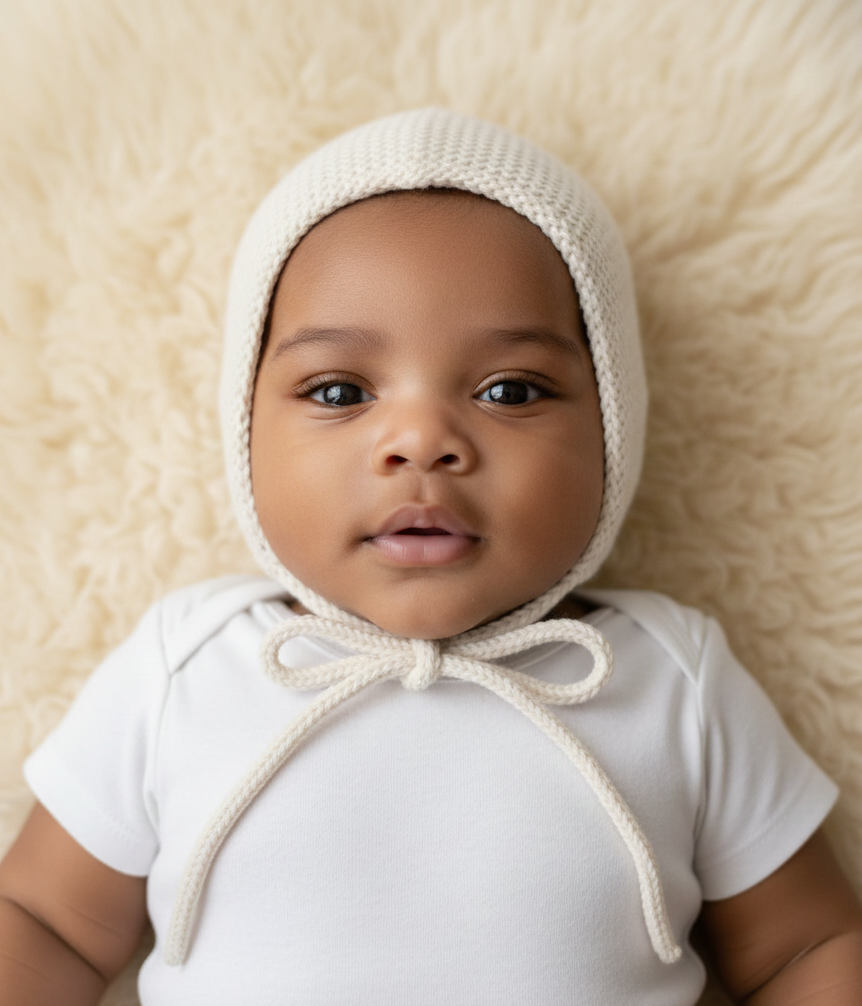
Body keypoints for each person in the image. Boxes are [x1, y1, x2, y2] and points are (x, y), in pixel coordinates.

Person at [0, 108, 860, 1005]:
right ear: (245, 432)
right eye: (339, 392)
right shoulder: (188, 665)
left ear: (611, 427)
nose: (420, 440)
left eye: (510, 389)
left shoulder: (672, 679)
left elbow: (806, 947)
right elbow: (45, 923)